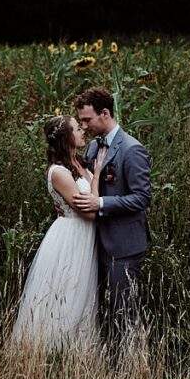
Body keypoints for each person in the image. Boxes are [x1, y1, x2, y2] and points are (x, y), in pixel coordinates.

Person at [11, 114, 106, 348]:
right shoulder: (59, 172)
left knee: (84, 298)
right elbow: (89, 212)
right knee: (68, 294)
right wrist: (98, 176)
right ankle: (56, 352)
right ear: (66, 138)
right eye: (77, 129)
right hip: (71, 238)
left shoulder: (80, 162)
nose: (83, 131)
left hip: (86, 237)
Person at [70, 87, 152, 342]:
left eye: (87, 120)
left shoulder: (131, 149)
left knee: (125, 313)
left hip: (124, 246)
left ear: (104, 113)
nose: (83, 127)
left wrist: (101, 203)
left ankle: (134, 371)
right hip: (97, 245)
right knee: (104, 313)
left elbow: (142, 198)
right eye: (80, 122)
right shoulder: (93, 148)